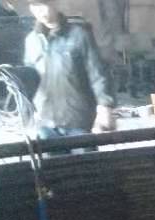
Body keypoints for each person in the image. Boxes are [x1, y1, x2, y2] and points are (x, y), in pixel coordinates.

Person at [23, 1, 115, 138]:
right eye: (35, 6)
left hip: (78, 119)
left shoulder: (79, 35)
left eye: (43, 5)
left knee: (83, 152)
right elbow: (30, 78)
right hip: (45, 122)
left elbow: (97, 73)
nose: (39, 11)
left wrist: (105, 107)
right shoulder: (32, 40)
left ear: (55, 4)